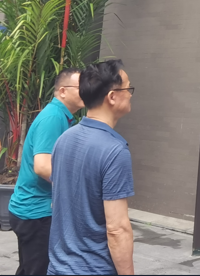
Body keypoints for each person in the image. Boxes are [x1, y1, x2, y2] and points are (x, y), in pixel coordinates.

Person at [48, 59, 135, 276]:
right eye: (128, 89)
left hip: (57, 267)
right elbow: (117, 229)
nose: (130, 94)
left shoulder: (64, 139)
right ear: (112, 96)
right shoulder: (115, 150)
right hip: (94, 269)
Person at [8, 68, 83, 275]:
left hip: (33, 211)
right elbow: (42, 166)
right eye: (80, 87)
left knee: (29, 269)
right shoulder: (53, 118)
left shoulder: (61, 116)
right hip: (36, 212)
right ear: (63, 91)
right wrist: (75, 189)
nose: (86, 91)